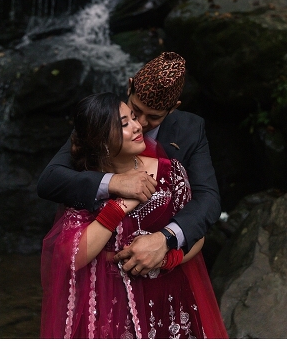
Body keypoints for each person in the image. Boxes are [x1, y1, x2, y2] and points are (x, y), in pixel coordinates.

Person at [40, 92, 227, 338]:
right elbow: (71, 256)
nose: (139, 126)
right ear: (102, 140)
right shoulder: (87, 183)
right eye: (125, 123)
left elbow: (196, 234)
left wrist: (167, 258)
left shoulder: (171, 172)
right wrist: (119, 207)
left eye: (133, 118)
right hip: (110, 308)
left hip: (168, 301)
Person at [38, 52, 220, 278]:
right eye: (135, 111)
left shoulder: (190, 130)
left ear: (173, 108)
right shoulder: (102, 118)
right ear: (130, 86)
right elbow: (50, 179)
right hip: (101, 265)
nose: (140, 123)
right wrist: (114, 182)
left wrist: (166, 238)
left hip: (162, 265)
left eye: (153, 117)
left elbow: (208, 199)